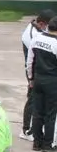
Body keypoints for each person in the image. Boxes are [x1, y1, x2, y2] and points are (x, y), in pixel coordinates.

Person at [21, 10, 55, 142]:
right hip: (36, 72)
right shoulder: (31, 35)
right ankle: (26, 130)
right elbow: (36, 56)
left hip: (40, 71)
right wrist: (32, 78)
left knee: (37, 102)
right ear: (42, 24)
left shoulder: (38, 31)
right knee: (33, 100)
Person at [28, 16, 57, 152]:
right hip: (52, 81)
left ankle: (37, 142)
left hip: (38, 79)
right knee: (50, 114)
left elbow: (30, 61)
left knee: (37, 112)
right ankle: (47, 144)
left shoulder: (37, 38)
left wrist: (31, 79)